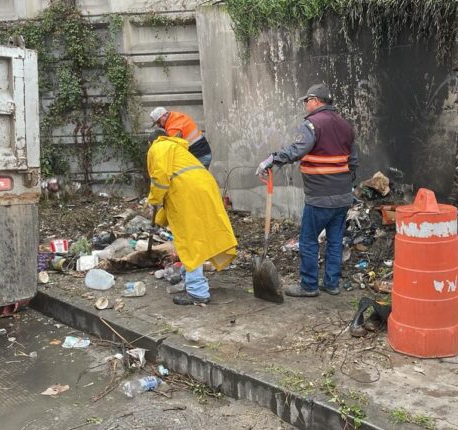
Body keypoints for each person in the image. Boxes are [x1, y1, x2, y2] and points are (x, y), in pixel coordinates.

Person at [255, 83, 358, 297]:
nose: (305, 105)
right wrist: (346, 185)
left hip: (319, 196)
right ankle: (332, 283)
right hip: (342, 196)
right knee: (335, 241)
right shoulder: (346, 126)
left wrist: (272, 159)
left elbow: (298, 149)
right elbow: (353, 161)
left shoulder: (312, 125)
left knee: (309, 240)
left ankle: (309, 285)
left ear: (315, 101)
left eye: (306, 101)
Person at [146, 129, 237, 305]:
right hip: (204, 188)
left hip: (188, 193)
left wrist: (153, 199)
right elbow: (170, 196)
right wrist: (158, 222)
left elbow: (160, 180)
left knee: (189, 240)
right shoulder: (177, 149)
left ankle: (197, 291)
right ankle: (187, 276)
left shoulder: (158, 147)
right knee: (202, 233)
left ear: (151, 142)